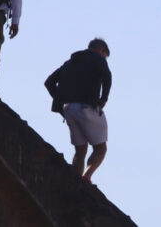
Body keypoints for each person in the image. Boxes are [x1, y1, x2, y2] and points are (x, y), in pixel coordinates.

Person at [44, 38, 112, 183]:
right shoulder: (97, 58)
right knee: (100, 148)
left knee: (80, 150)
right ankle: (86, 177)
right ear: (101, 51)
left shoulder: (70, 62)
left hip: (68, 109)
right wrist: (103, 99)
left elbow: (49, 82)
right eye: (105, 56)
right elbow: (107, 76)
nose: (104, 59)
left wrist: (60, 99)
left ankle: (75, 182)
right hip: (86, 107)